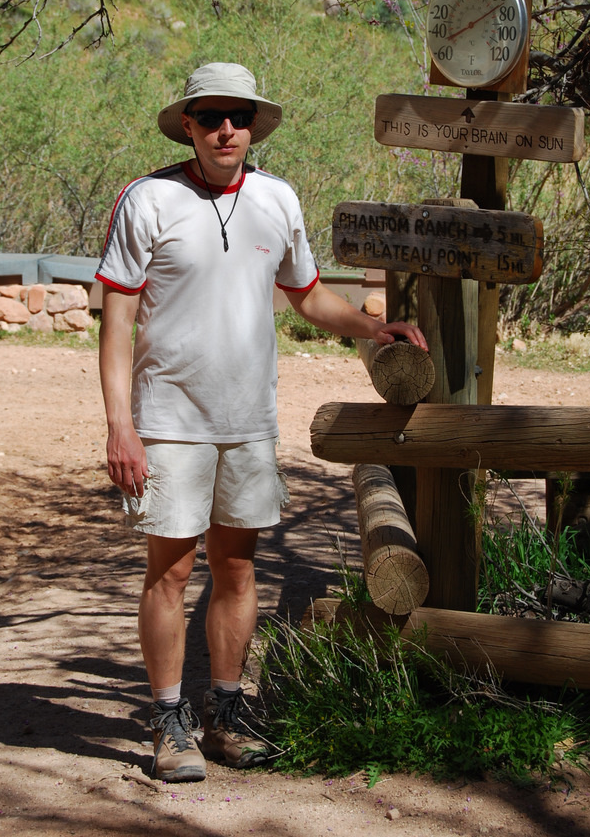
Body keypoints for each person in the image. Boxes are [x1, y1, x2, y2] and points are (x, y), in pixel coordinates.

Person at [96, 62, 427, 783]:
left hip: (247, 420)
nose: (225, 130)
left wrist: (376, 331)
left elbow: (307, 295)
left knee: (237, 567)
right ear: (187, 123)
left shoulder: (277, 199)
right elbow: (116, 324)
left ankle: (225, 711)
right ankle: (168, 721)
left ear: (253, 127)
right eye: (211, 116)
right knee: (170, 570)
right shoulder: (147, 199)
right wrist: (120, 426)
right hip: (169, 421)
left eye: (238, 117)